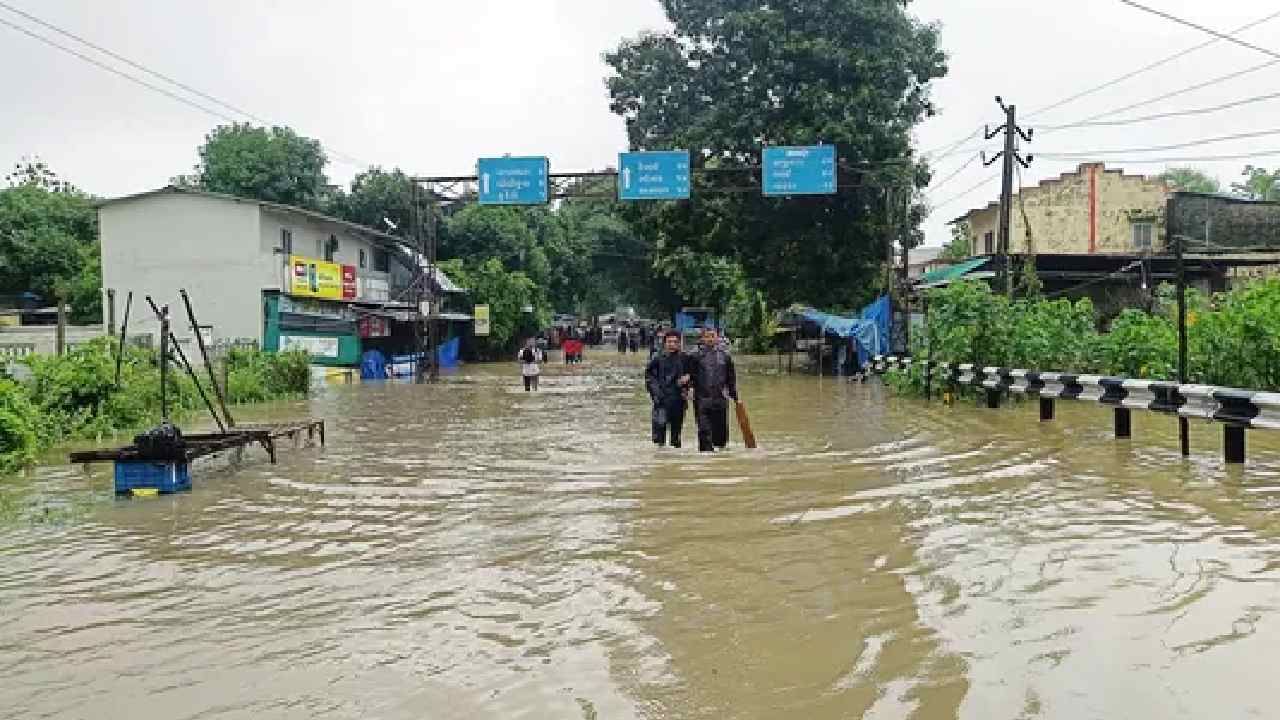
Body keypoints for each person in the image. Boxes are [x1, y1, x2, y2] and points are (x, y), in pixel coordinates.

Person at [691, 326, 738, 452]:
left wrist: (735, 397)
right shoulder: (694, 356)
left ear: (717, 337)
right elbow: (688, 375)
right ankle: (706, 460)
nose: (710, 339)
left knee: (721, 437)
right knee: (704, 432)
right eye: (707, 336)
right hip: (702, 400)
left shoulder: (725, 356)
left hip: (720, 399)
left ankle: (719, 461)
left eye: (712, 336)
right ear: (702, 338)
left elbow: (731, 378)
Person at [645, 330, 690, 448]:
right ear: (664, 343)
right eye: (669, 342)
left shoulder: (685, 358)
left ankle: (675, 460)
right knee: (659, 435)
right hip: (661, 400)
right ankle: (661, 458)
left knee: (676, 436)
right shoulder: (657, 358)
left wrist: (688, 379)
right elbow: (649, 377)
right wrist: (656, 393)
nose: (672, 344)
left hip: (678, 401)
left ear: (679, 343)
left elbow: (695, 373)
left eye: (675, 342)